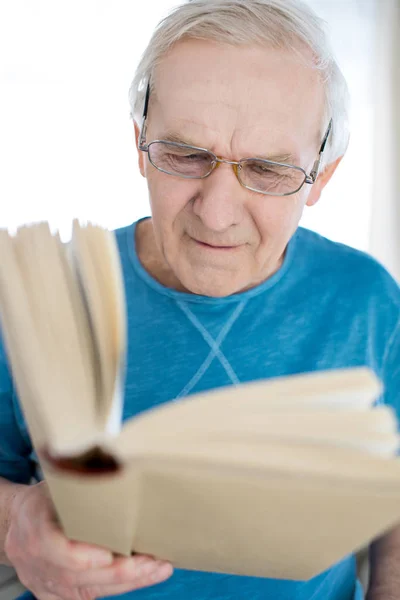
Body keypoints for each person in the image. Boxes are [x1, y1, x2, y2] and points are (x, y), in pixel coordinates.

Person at [0, 0, 399, 598]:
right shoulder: (43, 295)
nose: (215, 213)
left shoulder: (367, 302)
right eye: (185, 155)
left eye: (267, 169)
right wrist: (15, 523)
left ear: (323, 174)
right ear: (140, 145)